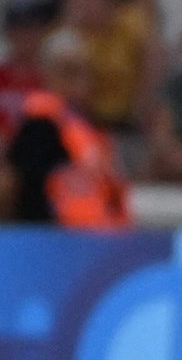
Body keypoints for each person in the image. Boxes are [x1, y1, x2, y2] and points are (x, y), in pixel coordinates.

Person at [0, 27, 130, 227]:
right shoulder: (38, 127)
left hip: (101, 239)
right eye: (69, 72)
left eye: (85, 71)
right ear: (47, 74)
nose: (80, 82)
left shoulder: (95, 129)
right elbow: (15, 189)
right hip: (52, 241)